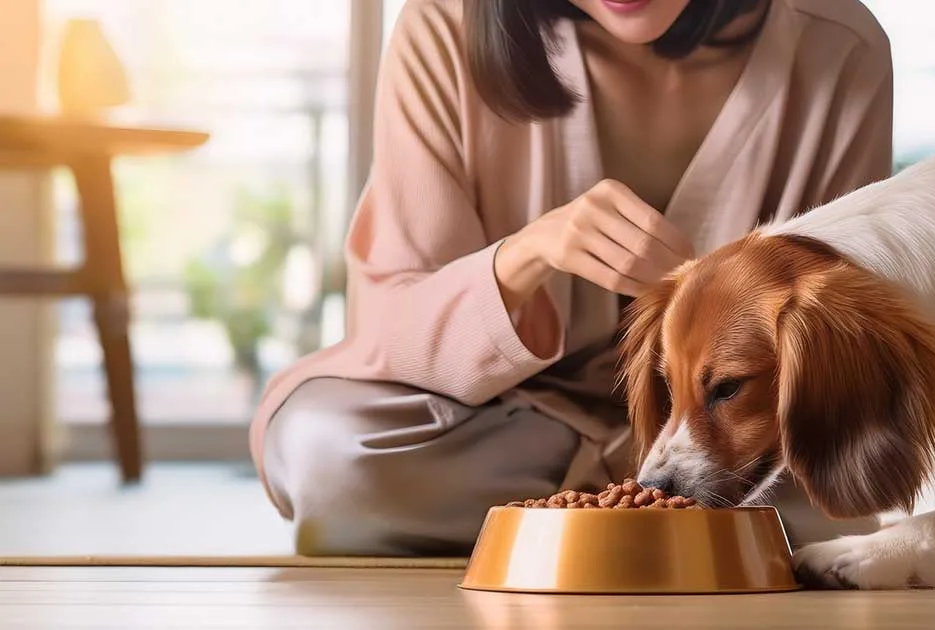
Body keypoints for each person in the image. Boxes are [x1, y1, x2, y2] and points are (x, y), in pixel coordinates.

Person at [254, 0, 895, 556]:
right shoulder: (444, 28)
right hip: (508, 428)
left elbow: (841, 349)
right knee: (324, 448)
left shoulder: (837, 48)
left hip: (736, 450)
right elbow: (391, 327)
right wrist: (525, 255)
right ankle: (672, 517)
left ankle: (569, 518)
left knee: (856, 477)